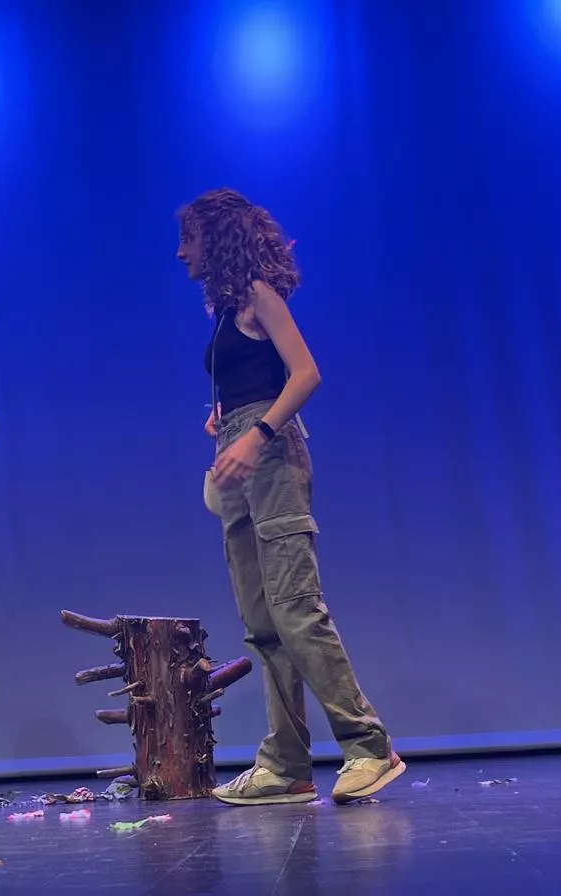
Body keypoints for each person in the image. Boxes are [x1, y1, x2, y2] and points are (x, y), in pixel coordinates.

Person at [177, 188, 405, 806]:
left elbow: (305, 373)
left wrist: (255, 433)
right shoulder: (226, 309)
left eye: (188, 240)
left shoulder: (258, 294)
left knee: (295, 607)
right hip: (239, 458)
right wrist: (226, 423)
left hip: (272, 458)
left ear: (215, 239)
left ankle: (369, 745)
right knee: (262, 623)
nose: (180, 253)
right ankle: (286, 764)